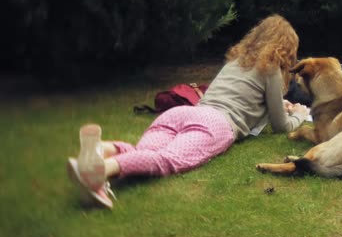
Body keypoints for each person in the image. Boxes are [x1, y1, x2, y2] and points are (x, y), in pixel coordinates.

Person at [67, 15, 310, 209]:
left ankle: (100, 150)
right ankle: (99, 171)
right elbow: (281, 125)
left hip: (183, 113)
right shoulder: (272, 72)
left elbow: (247, 98)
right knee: (167, 160)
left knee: (144, 153)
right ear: (286, 50)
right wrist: (298, 112)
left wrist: (276, 106)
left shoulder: (236, 61)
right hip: (216, 123)